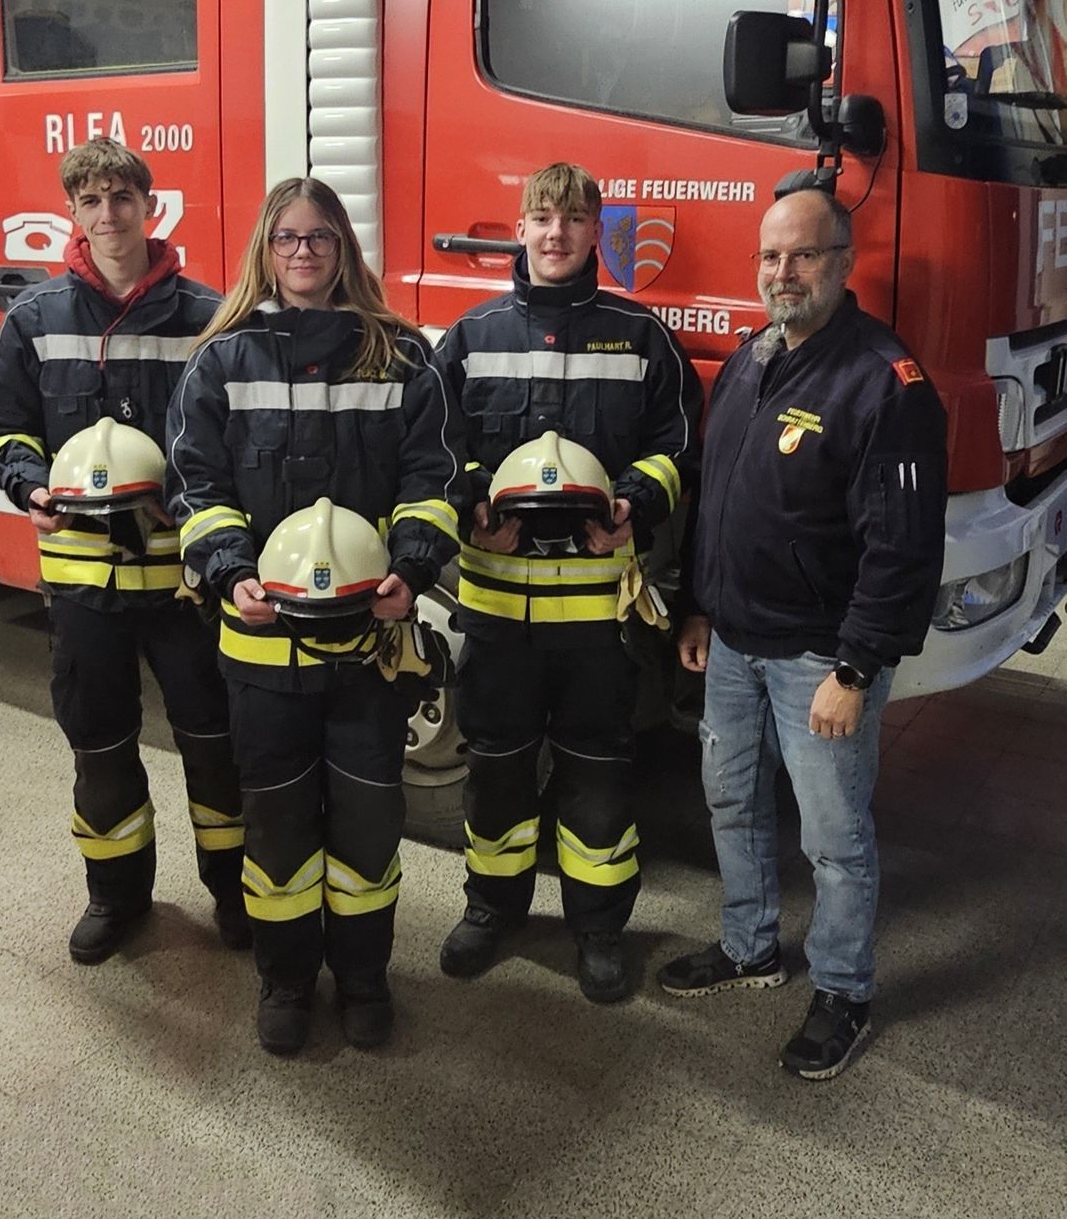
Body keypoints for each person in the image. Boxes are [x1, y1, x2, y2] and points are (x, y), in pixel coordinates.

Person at [166, 176, 465, 1055]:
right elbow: (197, 487)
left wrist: (413, 569)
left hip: (370, 649)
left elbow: (433, 479)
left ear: (344, 250)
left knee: (370, 828)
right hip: (260, 656)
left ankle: (365, 979)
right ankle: (287, 981)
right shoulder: (222, 358)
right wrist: (228, 574)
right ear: (267, 248)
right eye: (288, 238)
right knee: (279, 828)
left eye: (321, 238)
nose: (303, 253)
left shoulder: (401, 354)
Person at [658, 188, 947, 1080]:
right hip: (734, 644)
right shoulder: (751, 360)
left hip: (820, 657)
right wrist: (699, 604)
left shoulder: (885, 384)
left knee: (833, 836)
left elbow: (901, 550)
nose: (783, 274)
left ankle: (844, 993)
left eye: (804, 256)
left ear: (842, 261)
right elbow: (716, 503)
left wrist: (855, 670)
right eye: (770, 258)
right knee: (735, 803)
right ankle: (749, 949)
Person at [0, 139, 245, 964]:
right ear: (73, 214)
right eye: (90, 200)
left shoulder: (207, 316)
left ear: (149, 206)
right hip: (84, 584)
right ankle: (116, 895)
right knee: (99, 744)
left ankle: (235, 895)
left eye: (122, 197)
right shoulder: (34, 319)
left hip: (186, 584)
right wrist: (28, 485)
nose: (108, 214)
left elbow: (237, 433)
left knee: (215, 740)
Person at [435, 163, 701, 1003]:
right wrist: (473, 498)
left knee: (598, 776)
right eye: (542, 218)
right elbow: (435, 446)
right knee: (497, 771)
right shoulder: (472, 336)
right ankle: (493, 909)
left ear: (596, 234)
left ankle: (597, 929)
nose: (557, 234)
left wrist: (636, 502)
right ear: (519, 229)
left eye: (574, 219)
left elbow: (680, 445)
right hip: (497, 615)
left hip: (596, 617)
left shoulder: (641, 335)